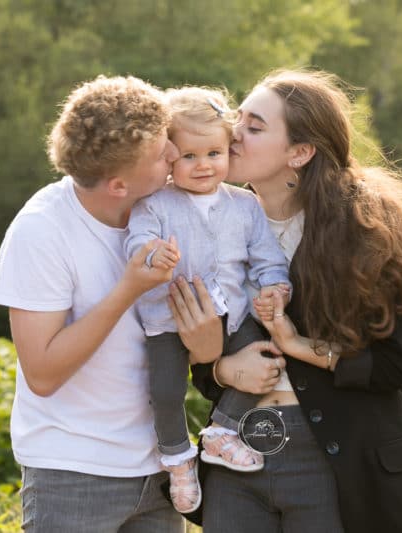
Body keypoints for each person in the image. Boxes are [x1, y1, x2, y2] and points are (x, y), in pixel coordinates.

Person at [170, 69, 402, 532]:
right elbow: (201, 361)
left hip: (339, 463)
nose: (233, 133)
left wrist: (301, 346)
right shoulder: (206, 222)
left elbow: (401, 366)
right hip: (236, 461)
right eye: (238, 118)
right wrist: (219, 367)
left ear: (299, 153)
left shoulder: (369, 231)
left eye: (254, 127)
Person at [0, 75, 185, 533]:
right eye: (162, 155)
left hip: (159, 469)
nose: (175, 155)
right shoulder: (41, 231)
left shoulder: (170, 211)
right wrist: (127, 290)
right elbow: (41, 373)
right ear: (119, 185)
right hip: (71, 475)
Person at [124, 86, 291, 514]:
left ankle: (222, 431)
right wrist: (150, 252)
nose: (203, 166)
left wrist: (275, 285)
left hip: (233, 317)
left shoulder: (244, 204)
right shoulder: (154, 204)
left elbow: (266, 257)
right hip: (166, 318)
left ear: (227, 151)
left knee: (268, 354)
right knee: (163, 391)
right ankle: (178, 459)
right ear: (168, 158)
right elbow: (137, 240)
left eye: (214, 154)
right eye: (189, 157)